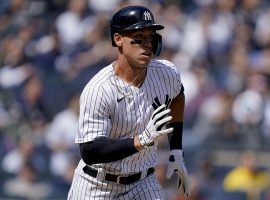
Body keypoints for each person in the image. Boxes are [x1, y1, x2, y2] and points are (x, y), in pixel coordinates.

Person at [67, 5, 189, 199]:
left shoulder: (167, 73)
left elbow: (178, 96)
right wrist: (141, 140)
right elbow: (90, 150)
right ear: (118, 39)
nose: (147, 44)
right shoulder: (99, 89)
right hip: (97, 186)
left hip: (143, 182)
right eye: (139, 38)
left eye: (151, 37)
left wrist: (176, 149)